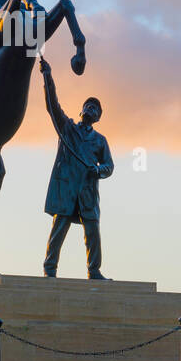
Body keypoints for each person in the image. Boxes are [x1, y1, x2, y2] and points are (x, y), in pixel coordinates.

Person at [38, 56, 113, 279]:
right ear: (81, 111)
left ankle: (94, 270)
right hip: (67, 190)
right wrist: (47, 76)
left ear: (98, 117)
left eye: (95, 108)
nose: (91, 109)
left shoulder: (100, 140)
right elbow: (52, 106)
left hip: (88, 193)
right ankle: (49, 269)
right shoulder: (67, 128)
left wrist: (98, 171)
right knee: (58, 229)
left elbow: (109, 166)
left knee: (93, 232)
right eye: (88, 105)